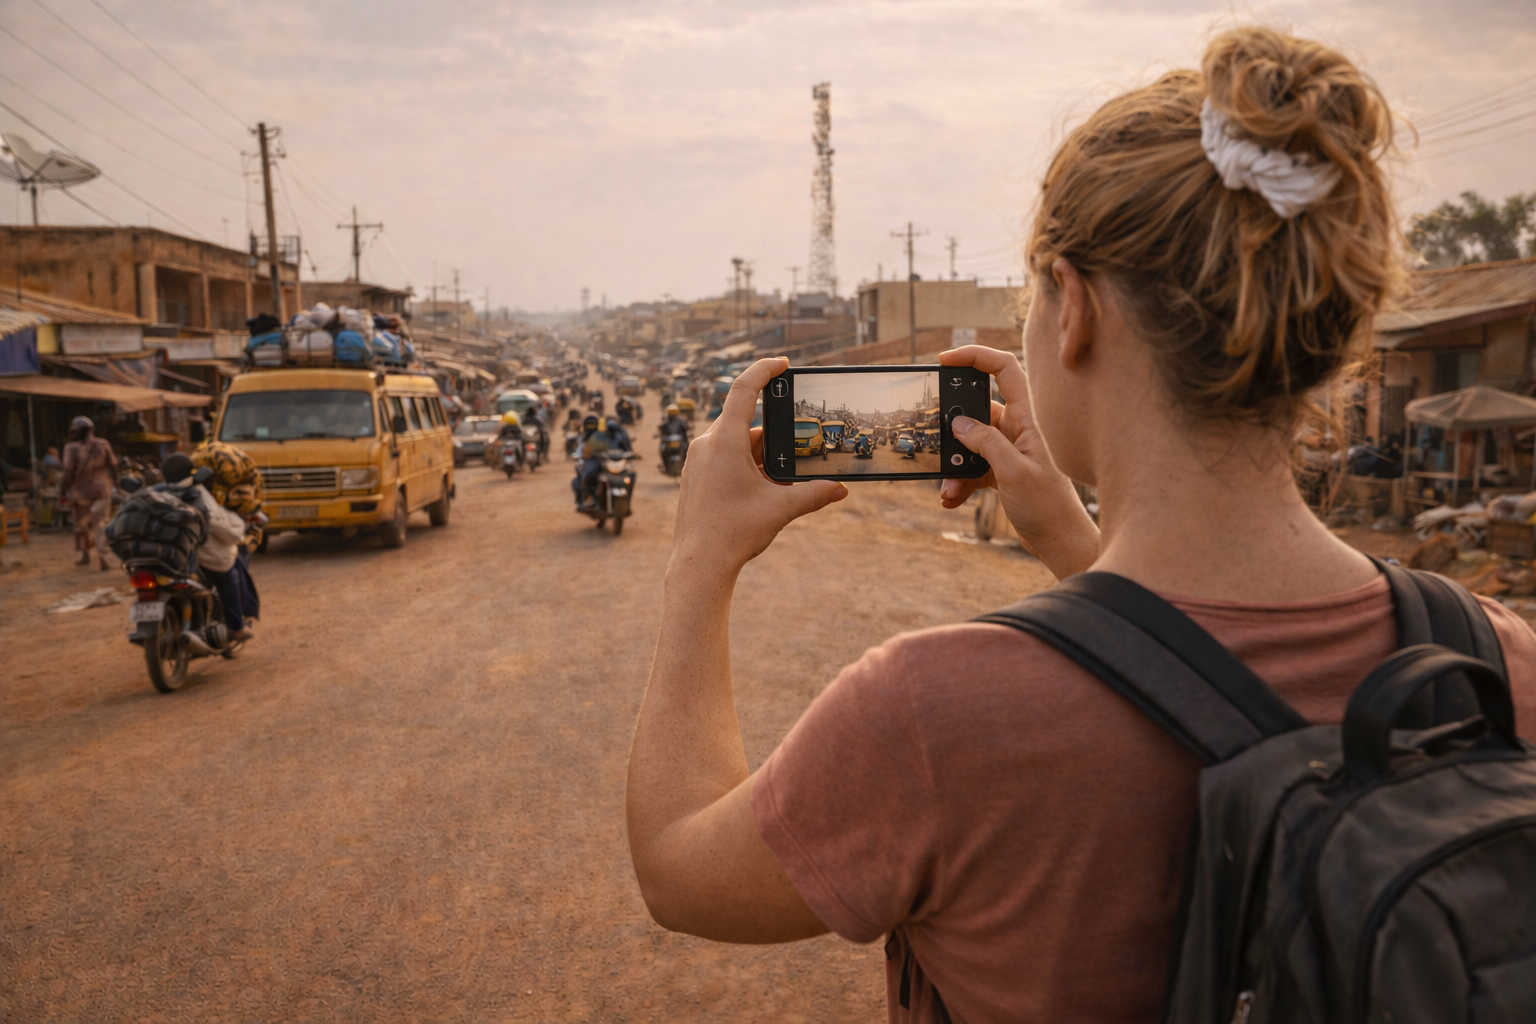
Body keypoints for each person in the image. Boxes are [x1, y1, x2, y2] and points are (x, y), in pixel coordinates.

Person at [624, 27, 1536, 1023]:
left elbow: (677, 868)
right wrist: (1071, 542)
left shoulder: (934, 714)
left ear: (1073, 310)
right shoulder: (1495, 665)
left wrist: (701, 559)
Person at [159, 454, 253, 642]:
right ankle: (236, 628)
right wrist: (240, 528)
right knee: (228, 577)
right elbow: (223, 529)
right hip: (200, 559)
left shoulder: (157, 494)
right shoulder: (198, 495)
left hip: (164, 557)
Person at [58, 416, 117, 570]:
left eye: (75, 431)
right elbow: (113, 466)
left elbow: (68, 473)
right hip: (101, 491)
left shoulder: (71, 448)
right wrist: (117, 485)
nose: (73, 434)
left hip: (80, 493)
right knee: (99, 524)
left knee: (81, 525)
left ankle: (85, 555)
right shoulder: (104, 444)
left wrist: (62, 491)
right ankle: (101, 556)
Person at [572, 414, 608, 510]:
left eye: (593, 425)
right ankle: (586, 499)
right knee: (582, 479)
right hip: (588, 464)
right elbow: (579, 453)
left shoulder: (602, 437)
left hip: (603, 464)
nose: (591, 427)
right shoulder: (582, 439)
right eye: (589, 425)